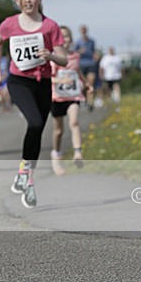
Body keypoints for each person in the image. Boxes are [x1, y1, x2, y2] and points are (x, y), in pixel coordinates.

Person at [0, 0, 67, 208]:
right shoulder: (9, 24)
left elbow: (63, 58)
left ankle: (27, 177)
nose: (28, 0)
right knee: (34, 122)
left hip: (43, 83)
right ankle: (25, 171)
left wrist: (51, 55)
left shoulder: (50, 26)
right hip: (19, 82)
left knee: (37, 130)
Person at [50, 25, 89, 175]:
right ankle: (56, 155)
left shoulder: (75, 57)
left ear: (71, 40)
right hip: (57, 96)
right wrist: (58, 82)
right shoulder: (53, 58)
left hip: (73, 95)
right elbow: (49, 78)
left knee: (74, 122)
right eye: (61, 37)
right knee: (58, 131)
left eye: (66, 36)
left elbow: (77, 72)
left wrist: (85, 84)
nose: (64, 40)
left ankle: (78, 152)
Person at [74, 24, 98, 110]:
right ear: (80, 31)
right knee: (83, 85)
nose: (83, 31)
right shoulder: (78, 42)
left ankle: (90, 102)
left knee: (91, 82)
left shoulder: (91, 41)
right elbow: (74, 53)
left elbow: (94, 51)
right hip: (81, 65)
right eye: (82, 30)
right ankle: (84, 99)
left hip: (91, 64)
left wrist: (96, 56)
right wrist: (79, 51)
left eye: (85, 29)